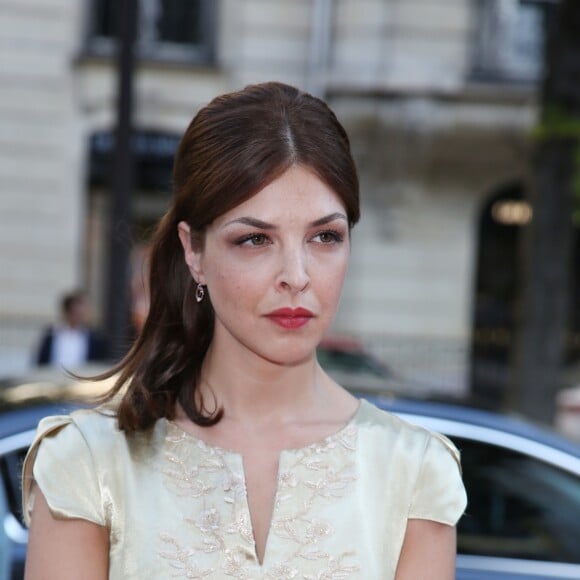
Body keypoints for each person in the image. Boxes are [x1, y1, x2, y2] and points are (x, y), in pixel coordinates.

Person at [22, 82, 467, 579]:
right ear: (193, 251)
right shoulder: (88, 462)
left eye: (325, 236)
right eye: (256, 239)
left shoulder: (414, 470)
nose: (296, 275)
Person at [35, 290, 108, 368]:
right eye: (75, 312)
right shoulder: (52, 334)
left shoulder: (95, 338)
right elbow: (41, 362)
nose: (78, 315)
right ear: (67, 311)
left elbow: (98, 364)